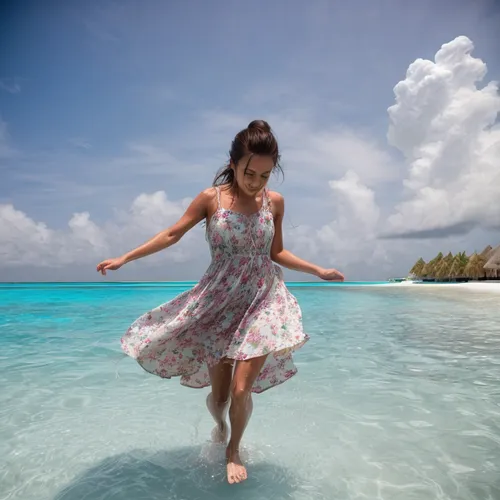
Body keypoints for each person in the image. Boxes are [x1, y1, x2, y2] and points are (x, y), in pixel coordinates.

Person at [96, 120, 344, 484]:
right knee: (222, 397)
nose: (256, 182)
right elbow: (171, 233)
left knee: (243, 389)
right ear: (233, 163)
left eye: (265, 174)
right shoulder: (211, 199)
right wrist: (125, 258)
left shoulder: (274, 202)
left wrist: (317, 270)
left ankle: (234, 450)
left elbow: (276, 251)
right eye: (249, 172)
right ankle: (219, 427)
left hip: (263, 299)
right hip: (218, 301)